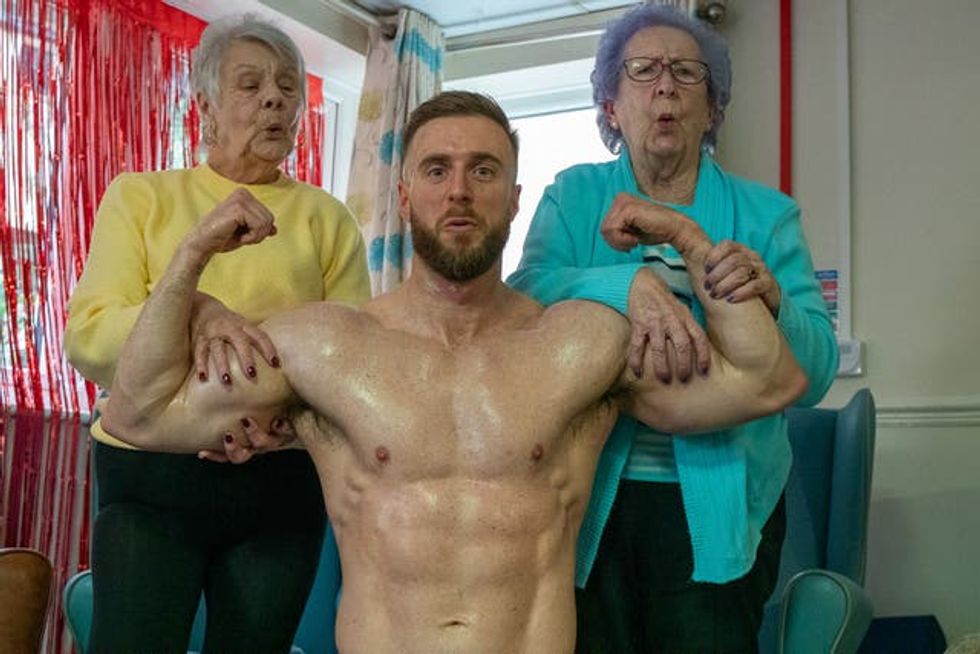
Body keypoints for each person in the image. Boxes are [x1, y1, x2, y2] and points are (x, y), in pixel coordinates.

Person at [96, 90, 807, 654]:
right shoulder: (325, 347)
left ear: (515, 198)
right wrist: (190, 264)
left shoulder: (580, 343)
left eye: (484, 171)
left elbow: (768, 382)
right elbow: (138, 414)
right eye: (437, 170)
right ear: (405, 197)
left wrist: (688, 240)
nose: (459, 190)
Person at [507, 4, 839, 652]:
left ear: (711, 110)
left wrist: (774, 302)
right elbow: (524, 300)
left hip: (724, 505)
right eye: (643, 70)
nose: (665, 86)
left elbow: (817, 372)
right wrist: (625, 286)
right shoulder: (573, 197)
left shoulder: (767, 216)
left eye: (687, 73)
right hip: (587, 493)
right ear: (610, 107)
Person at [64, 15, 370, 652]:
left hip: (278, 481)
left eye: (288, 87)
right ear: (204, 105)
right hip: (150, 479)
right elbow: (91, 341)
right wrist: (195, 307)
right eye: (251, 85)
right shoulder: (141, 198)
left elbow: (352, 362)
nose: (274, 100)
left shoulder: (327, 219)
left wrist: (292, 426)